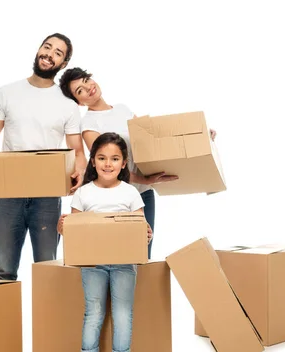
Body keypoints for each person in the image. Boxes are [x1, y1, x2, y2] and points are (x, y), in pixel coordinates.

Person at [59, 67, 217, 259]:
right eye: (80, 90)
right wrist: (143, 178)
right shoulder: (89, 124)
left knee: (143, 252)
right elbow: (105, 166)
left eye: (86, 80)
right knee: (118, 256)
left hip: (143, 193)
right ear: (79, 102)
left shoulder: (122, 109)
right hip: (116, 196)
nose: (88, 87)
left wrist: (198, 137)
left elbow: (151, 139)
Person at [0, 34, 87, 281]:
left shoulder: (67, 104)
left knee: (48, 270)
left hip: (47, 195)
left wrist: (81, 173)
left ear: (63, 63)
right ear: (38, 50)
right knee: (4, 270)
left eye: (58, 52)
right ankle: (1, 319)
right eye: (47, 47)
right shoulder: (7, 93)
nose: (49, 54)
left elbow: (77, 151)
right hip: (9, 191)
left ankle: (48, 320)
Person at [58, 132, 152, 352]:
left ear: (124, 164)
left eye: (114, 159)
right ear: (92, 161)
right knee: (94, 311)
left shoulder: (131, 192)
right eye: (101, 158)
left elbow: (141, 228)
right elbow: (71, 230)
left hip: (124, 263)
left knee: (122, 312)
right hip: (92, 263)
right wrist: (62, 226)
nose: (107, 164)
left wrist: (145, 233)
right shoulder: (84, 194)